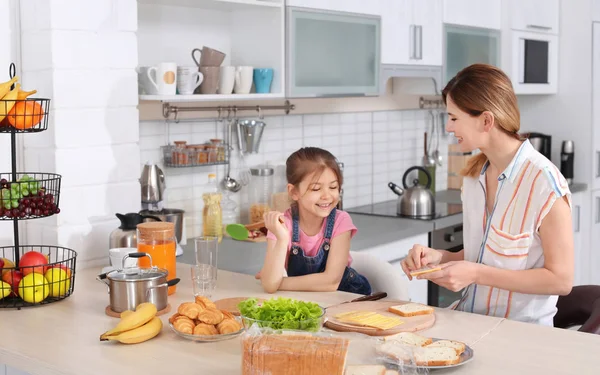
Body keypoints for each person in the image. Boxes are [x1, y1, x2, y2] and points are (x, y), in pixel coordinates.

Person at [400, 64, 574, 326]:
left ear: (486, 120)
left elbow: (561, 280)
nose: (448, 126)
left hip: (521, 334)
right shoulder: (473, 177)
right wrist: (440, 258)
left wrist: (476, 274)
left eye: (454, 118)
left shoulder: (544, 184)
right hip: (470, 322)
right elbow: (482, 257)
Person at [257, 147, 371, 295]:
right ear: (294, 192)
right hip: (309, 302)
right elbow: (269, 286)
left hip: (348, 298)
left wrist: (280, 282)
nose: (327, 196)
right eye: (316, 189)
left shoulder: (340, 220)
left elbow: (331, 282)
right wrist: (282, 238)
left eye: (333, 187)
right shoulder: (283, 225)